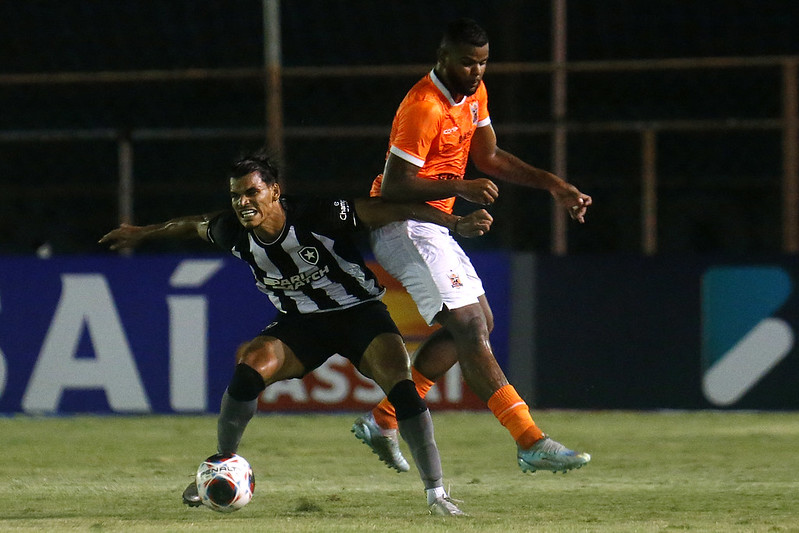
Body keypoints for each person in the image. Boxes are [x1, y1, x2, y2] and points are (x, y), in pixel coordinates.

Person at [99, 150, 493, 516]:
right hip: (301, 324)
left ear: (274, 191)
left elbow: (391, 208)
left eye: (252, 192)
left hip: (359, 315)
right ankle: (221, 465)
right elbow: (190, 225)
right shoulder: (232, 231)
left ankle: (436, 493)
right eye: (236, 195)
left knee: (402, 390)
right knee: (248, 368)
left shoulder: (318, 215)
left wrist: (455, 222)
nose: (243, 202)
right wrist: (141, 232)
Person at [351, 18, 593, 475]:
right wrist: (460, 188)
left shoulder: (474, 95)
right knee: (467, 325)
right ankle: (529, 439)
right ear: (443, 58)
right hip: (403, 223)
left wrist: (554, 185)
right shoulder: (423, 106)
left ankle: (382, 418)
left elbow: (491, 156)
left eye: (483, 62)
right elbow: (397, 184)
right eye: (467, 62)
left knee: (478, 322)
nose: (476, 71)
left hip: (432, 225)